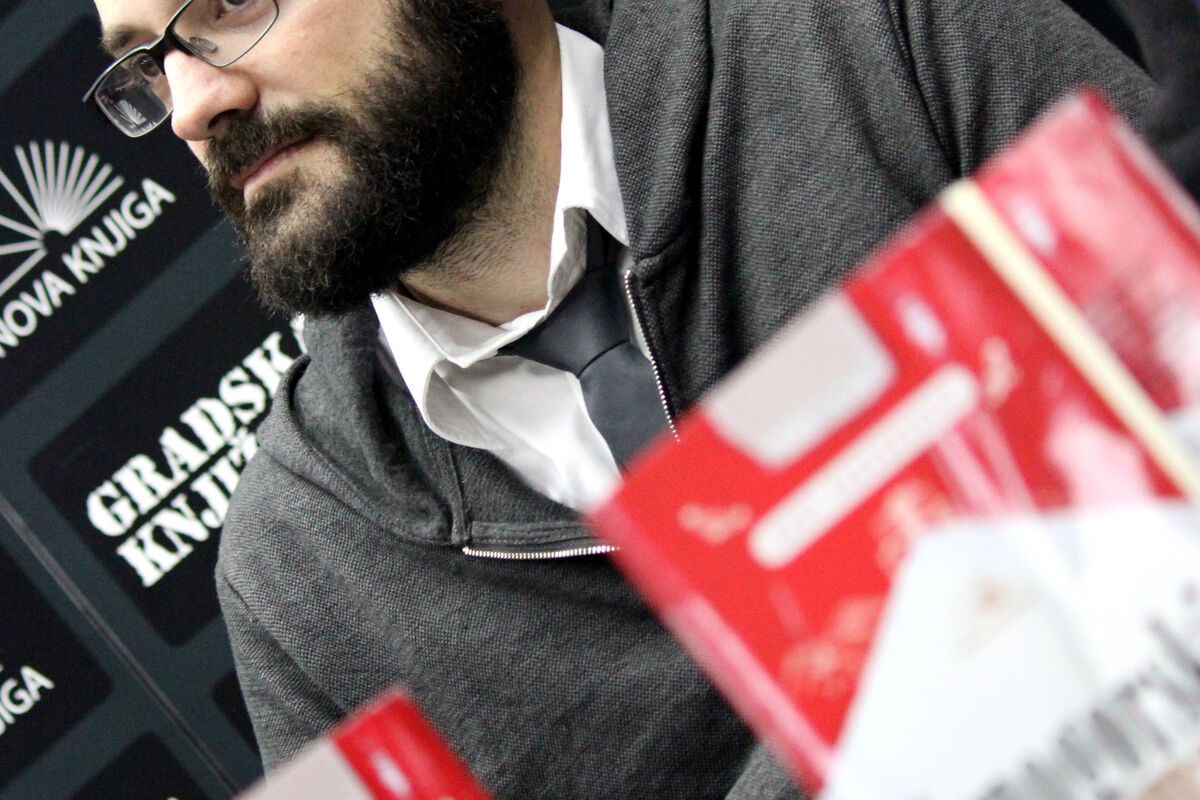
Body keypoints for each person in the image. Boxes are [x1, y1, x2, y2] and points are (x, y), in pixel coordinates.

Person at [85, 0, 1158, 797]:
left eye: (231, 7)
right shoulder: (297, 565)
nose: (194, 107)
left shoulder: (868, 38)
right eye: (146, 64)